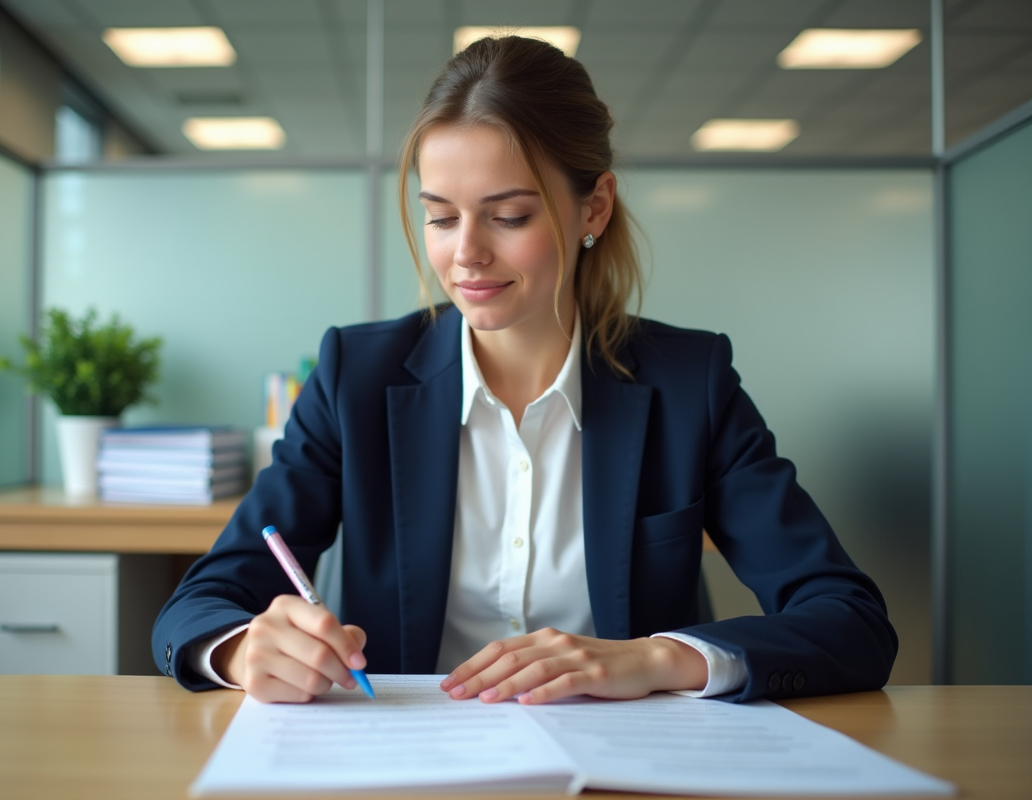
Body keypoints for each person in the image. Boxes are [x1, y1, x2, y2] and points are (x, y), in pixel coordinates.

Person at [152, 35, 897, 705]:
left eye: (508, 216)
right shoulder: (356, 375)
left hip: (627, 768)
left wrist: (658, 658)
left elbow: (849, 620)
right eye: (441, 216)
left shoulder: (688, 382)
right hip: (407, 767)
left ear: (594, 207)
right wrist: (245, 647)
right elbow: (203, 601)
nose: (466, 253)